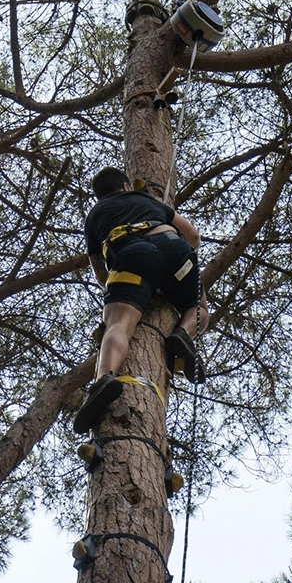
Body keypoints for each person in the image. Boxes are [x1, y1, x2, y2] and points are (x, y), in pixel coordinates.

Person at [73, 166, 209, 434]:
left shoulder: (95, 216)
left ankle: (104, 379)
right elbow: (193, 237)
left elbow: (100, 271)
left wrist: (130, 287)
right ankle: (182, 333)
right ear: (125, 186)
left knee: (119, 323)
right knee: (200, 309)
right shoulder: (146, 199)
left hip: (131, 257)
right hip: (174, 251)